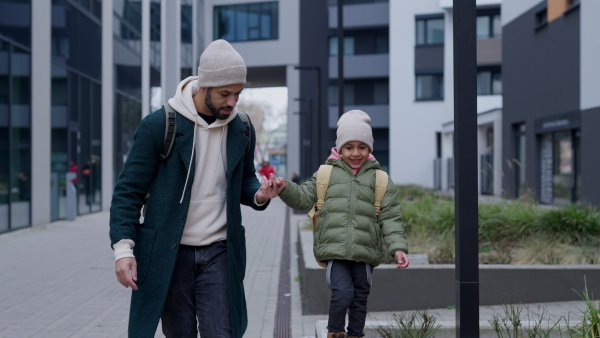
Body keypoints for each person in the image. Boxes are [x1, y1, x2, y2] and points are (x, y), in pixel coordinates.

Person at [109, 39, 280, 338]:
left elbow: (245, 180)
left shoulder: (242, 127)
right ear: (204, 86)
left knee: (222, 332)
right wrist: (123, 250)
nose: (232, 102)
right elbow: (127, 192)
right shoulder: (160, 125)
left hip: (220, 252)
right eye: (225, 94)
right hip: (169, 256)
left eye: (238, 94)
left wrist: (258, 194)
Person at [269, 110, 409, 338]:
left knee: (360, 296)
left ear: (369, 148)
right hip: (334, 249)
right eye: (349, 147)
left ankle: (355, 334)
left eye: (362, 147)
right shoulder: (326, 174)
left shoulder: (380, 179)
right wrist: (286, 187)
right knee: (343, 293)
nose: (356, 153)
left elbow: (390, 217)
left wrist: (398, 248)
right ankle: (335, 332)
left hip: (365, 250)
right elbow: (304, 197)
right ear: (340, 148)